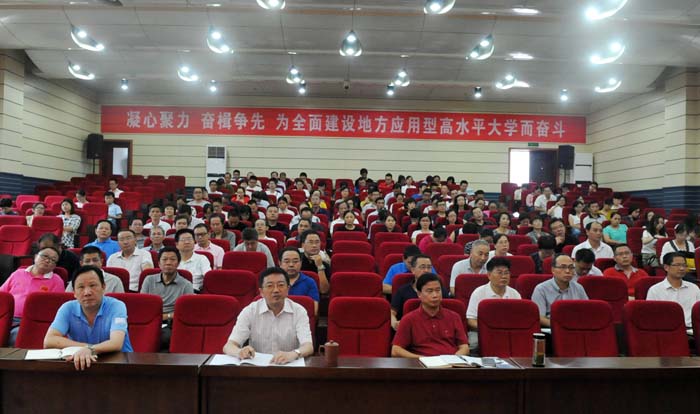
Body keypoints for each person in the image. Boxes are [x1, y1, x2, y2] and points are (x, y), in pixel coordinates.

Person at [44, 265, 133, 371]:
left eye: (92, 285)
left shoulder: (117, 306)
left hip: (119, 365)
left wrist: (90, 349)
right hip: (82, 364)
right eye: (81, 287)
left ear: (103, 287)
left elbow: (116, 343)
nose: (87, 292)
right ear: (74, 293)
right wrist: (87, 348)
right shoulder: (67, 308)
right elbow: (49, 341)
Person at [223, 267, 313, 364]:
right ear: (261, 292)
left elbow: (308, 346)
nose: (276, 290)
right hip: (258, 367)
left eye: (281, 285)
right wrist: (239, 352)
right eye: (270, 286)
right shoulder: (250, 311)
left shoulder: (299, 311)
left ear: (288, 289)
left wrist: (294, 354)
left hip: (289, 365)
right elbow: (229, 346)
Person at [391, 273, 469, 358]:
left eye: (438, 290)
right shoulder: (408, 319)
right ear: (419, 294)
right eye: (430, 291)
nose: (435, 295)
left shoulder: (454, 317)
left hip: (450, 363)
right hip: (421, 363)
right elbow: (396, 350)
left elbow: (464, 347)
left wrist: (455, 358)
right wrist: (422, 359)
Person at [1, 247, 65, 344]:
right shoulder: (17, 273)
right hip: (6, 317)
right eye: (45, 256)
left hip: (29, 322)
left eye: (53, 260)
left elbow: (55, 309)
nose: (48, 261)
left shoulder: (56, 281)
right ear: (35, 257)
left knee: (16, 337)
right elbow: (2, 296)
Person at [141, 247, 194, 348]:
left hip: (171, 323)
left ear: (178, 263)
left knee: (164, 337)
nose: (168, 263)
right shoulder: (149, 280)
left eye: (172, 259)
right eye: (164, 259)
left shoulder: (186, 285)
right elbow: (143, 305)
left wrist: (167, 316)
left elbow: (187, 312)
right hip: (149, 320)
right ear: (159, 263)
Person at [466, 257, 521, 351]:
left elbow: (519, 319)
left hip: (508, 331)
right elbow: (471, 320)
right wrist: (489, 328)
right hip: (483, 331)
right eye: (499, 272)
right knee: (473, 343)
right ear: (489, 275)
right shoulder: (478, 293)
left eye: (506, 273)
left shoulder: (515, 294)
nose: (504, 276)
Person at [390, 255, 447, 330]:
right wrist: (394, 323)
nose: (426, 270)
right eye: (422, 267)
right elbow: (392, 312)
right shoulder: (403, 291)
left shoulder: (441, 290)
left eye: (429, 267)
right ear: (413, 270)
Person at [532, 253, 589, 327]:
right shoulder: (541, 289)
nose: (567, 271)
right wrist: (561, 327)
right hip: (551, 329)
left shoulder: (579, 288)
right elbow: (540, 317)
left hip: (576, 328)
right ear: (553, 270)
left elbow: (586, 312)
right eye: (563, 267)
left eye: (571, 267)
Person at [647, 252, 700, 327]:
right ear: (666, 267)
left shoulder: (694, 288)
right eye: (677, 265)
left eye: (684, 265)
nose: (682, 268)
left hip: (692, 329)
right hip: (667, 329)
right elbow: (651, 316)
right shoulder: (655, 290)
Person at [279, 247, 319, 315]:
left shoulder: (309, 282)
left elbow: (314, 311)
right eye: (287, 261)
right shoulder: (273, 282)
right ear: (280, 263)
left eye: (295, 261)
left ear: (301, 263)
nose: (291, 265)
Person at [299, 230, 331, 294]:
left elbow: (324, 291)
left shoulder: (324, 264)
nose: (314, 245)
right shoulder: (297, 262)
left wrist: (320, 266)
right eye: (310, 242)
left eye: (317, 242)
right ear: (303, 245)